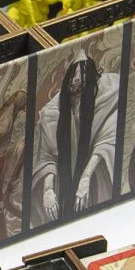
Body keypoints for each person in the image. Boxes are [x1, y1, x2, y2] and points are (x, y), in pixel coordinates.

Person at [32, 55, 119, 221]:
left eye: (82, 74)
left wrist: (85, 177)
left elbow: (107, 140)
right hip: (63, 187)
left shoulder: (107, 96)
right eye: (73, 74)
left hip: (94, 181)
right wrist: (48, 190)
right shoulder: (52, 112)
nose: (76, 79)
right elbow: (47, 156)